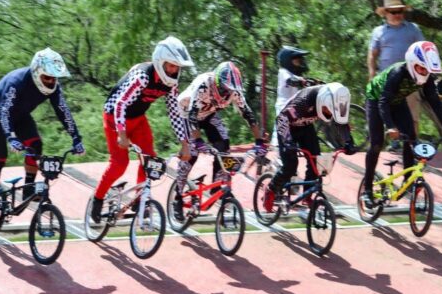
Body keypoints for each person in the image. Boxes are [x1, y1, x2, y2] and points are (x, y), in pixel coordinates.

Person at [0, 48, 84, 230]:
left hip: (18, 116)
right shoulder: (16, 82)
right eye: (47, 77)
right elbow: (4, 111)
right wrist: (11, 137)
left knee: (35, 145)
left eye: (55, 78)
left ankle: (28, 187)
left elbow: (63, 112)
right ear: (36, 73)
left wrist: (76, 138)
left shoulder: (53, 88)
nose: (51, 82)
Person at [90, 36, 194, 223]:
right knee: (119, 164)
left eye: (177, 67)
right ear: (160, 62)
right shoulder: (143, 76)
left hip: (138, 120)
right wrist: (121, 135)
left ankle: (140, 199)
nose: (174, 71)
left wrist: (184, 143)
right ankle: (98, 198)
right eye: (171, 65)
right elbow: (121, 104)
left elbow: (174, 112)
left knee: (149, 159)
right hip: (115, 118)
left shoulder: (171, 84)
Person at [362, 41, 442, 205]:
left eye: (427, 70)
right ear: (412, 64)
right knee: (377, 143)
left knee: (411, 138)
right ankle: (368, 190)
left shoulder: (426, 78)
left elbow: (435, 103)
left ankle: (408, 182)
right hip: (377, 99)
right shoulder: (398, 73)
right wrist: (390, 126)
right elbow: (383, 102)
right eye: (421, 68)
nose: (425, 73)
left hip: (398, 101)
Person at [172, 61, 267, 220]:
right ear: (217, 82)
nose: (226, 93)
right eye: (224, 89)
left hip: (208, 114)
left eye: (230, 90)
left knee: (224, 144)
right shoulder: (204, 85)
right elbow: (192, 116)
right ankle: (177, 197)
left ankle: (217, 186)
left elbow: (248, 115)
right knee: (192, 154)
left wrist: (259, 141)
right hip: (185, 114)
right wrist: (198, 141)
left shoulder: (234, 92)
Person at [263, 83, 356, 212]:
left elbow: (340, 122)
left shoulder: (331, 99)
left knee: (315, 163)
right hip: (287, 127)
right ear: (321, 101)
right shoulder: (305, 100)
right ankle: (271, 190)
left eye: (329, 110)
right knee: (290, 166)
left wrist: (348, 142)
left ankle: (307, 196)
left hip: (306, 127)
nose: (328, 112)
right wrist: (287, 141)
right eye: (326, 109)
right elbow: (282, 119)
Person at [367, 0, 426, 152]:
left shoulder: (413, 29)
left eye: (399, 11)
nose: (397, 14)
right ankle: (395, 142)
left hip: (409, 78)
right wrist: (372, 74)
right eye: (393, 12)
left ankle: (414, 142)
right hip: (387, 78)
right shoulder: (378, 32)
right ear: (386, 13)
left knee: (412, 110)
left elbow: (423, 50)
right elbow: (373, 54)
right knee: (389, 110)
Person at [272, 45, 314, 147]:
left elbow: (301, 80)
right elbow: (291, 81)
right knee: (282, 136)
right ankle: (278, 156)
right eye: (297, 60)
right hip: (283, 106)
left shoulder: (293, 74)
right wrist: (301, 82)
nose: (300, 62)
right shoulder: (283, 72)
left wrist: (313, 82)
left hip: (293, 106)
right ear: (288, 60)